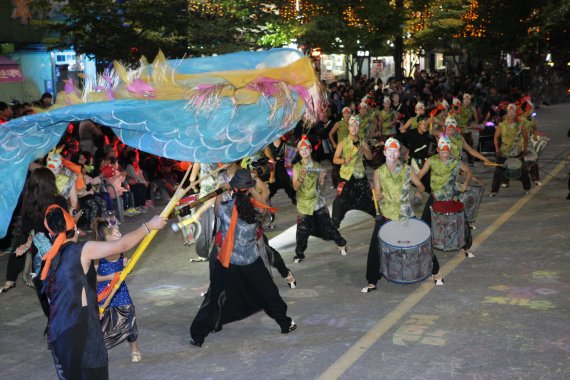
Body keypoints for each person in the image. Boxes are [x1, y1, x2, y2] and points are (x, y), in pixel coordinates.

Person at [42, 205, 166, 379]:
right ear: (75, 228)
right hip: (80, 330)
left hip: (58, 332)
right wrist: (148, 226)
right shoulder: (82, 250)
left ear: (50, 234)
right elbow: (121, 245)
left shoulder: (50, 258)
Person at [190, 169, 296, 347]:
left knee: (214, 297)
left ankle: (198, 336)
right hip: (250, 260)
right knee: (269, 292)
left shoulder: (226, 208)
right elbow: (263, 202)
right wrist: (252, 186)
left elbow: (216, 211)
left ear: (234, 189)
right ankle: (285, 323)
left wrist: (220, 191)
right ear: (248, 189)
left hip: (228, 261)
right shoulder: (256, 209)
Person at [362, 138, 425, 293]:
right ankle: (372, 280)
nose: (392, 153)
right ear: (384, 152)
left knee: (421, 241)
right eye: (389, 150)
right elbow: (378, 192)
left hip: (405, 212)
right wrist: (378, 196)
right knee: (375, 247)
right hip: (387, 214)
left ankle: (434, 271)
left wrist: (419, 193)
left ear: (398, 154)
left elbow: (421, 186)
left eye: (395, 150)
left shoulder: (407, 169)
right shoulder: (378, 172)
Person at [418, 136, 475, 264]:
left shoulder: (456, 161)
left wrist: (466, 182)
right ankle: (423, 247)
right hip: (435, 197)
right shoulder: (431, 161)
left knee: (463, 222)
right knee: (424, 222)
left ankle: (467, 248)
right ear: (438, 150)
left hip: (452, 197)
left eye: (447, 151)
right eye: (442, 151)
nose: (445, 154)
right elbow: (420, 175)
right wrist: (413, 183)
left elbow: (469, 172)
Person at [292, 137, 347, 263]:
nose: (304, 151)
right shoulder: (297, 167)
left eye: (307, 149)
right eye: (302, 149)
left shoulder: (317, 165)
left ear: (310, 150)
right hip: (304, 204)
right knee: (302, 231)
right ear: (299, 152)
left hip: (317, 202)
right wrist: (301, 177)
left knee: (329, 226)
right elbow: (295, 187)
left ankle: (341, 244)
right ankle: (299, 254)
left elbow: (321, 188)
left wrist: (322, 179)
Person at [94, 219, 141, 363]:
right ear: (106, 238)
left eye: (119, 232)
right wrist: (110, 277)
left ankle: (135, 349)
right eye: (116, 233)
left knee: (129, 319)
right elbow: (93, 278)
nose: (120, 235)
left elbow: (126, 271)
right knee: (102, 325)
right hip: (104, 294)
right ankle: (101, 351)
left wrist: (128, 267)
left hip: (121, 291)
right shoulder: (97, 254)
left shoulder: (121, 250)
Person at [331, 116, 376, 228]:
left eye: (356, 125)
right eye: (352, 125)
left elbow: (370, 158)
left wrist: (364, 150)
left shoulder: (362, 142)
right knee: (340, 200)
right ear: (348, 127)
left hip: (360, 175)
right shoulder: (343, 142)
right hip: (346, 176)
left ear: (358, 127)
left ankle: (378, 218)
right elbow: (335, 159)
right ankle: (335, 223)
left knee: (368, 199)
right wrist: (343, 160)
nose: (354, 128)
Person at [490, 103, 531, 197]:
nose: (511, 113)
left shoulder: (520, 124)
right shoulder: (501, 125)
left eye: (513, 111)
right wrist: (496, 148)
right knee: (498, 172)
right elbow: (496, 137)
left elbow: (525, 137)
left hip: (517, 152)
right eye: (509, 111)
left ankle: (527, 188)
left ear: (516, 112)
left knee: (524, 171)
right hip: (504, 153)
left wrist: (525, 148)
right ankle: (494, 191)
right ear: (507, 112)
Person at [264, 137, 296, 205]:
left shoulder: (283, 142)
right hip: (273, 170)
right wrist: (272, 176)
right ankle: (267, 201)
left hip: (282, 169)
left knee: (288, 185)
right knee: (272, 188)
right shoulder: (267, 145)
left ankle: (293, 197)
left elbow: (287, 157)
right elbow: (271, 161)